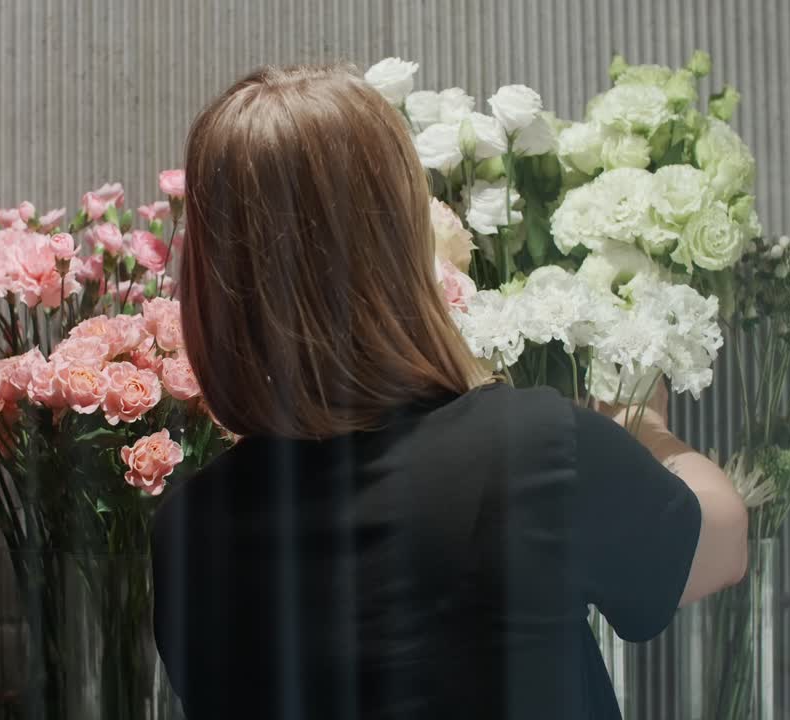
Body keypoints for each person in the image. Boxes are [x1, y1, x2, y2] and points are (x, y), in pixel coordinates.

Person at [151, 63, 748, 720]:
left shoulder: (189, 533)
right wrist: (647, 429)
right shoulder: (533, 452)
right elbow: (721, 545)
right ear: (399, 244)